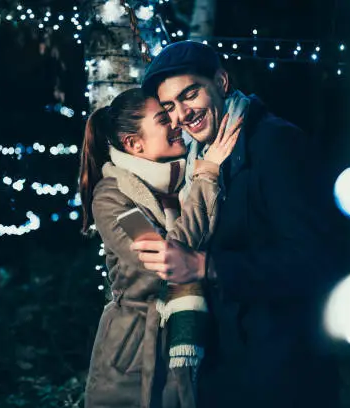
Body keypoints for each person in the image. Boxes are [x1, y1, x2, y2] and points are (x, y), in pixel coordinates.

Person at [134, 41, 342, 407]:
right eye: (170, 107)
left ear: (222, 82)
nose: (182, 114)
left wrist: (205, 266)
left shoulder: (276, 144)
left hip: (280, 375)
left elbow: (315, 263)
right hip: (226, 371)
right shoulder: (196, 166)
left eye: (190, 94)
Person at [79, 87, 241, 408]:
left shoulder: (183, 185)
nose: (176, 123)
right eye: (163, 119)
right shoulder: (112, 197)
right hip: (134, 360)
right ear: (134, 143)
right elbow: (167, 261)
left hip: (201, 352)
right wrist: (207, 174)